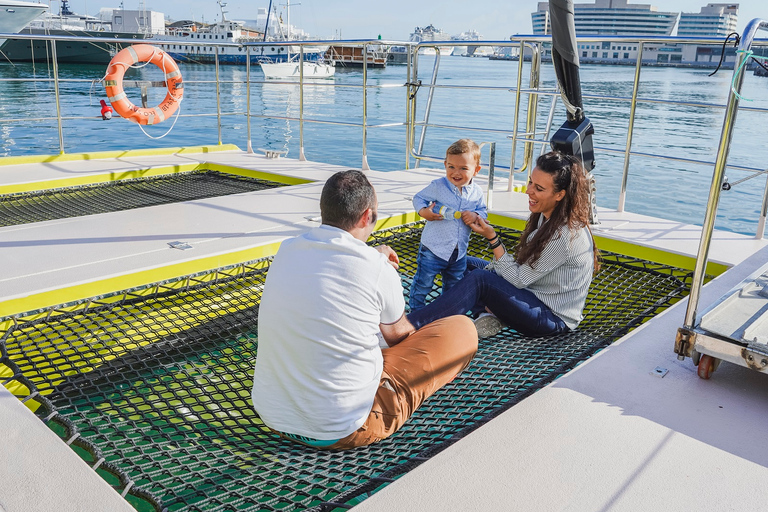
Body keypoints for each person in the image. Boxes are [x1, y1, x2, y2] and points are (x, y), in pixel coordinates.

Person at [251, 170, 478, 450]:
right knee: (462, 330)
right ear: (365, 216)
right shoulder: (376, 268)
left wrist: (375, 255)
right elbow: (397, 337)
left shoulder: (287, 250)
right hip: (344, 428)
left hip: (273, 417)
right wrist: (379, 263)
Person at [407, 151, 600, 339]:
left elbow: (518, 279)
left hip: (550, 318)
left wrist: (493, 239)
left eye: (539, 189)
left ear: (560, 195)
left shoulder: (564, 235)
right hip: (530, 293)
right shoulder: (548, 215)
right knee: (459, 263)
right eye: (531, 182)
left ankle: (410, 325)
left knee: (480, 279)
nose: (529, 191)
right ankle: (487, 314)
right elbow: (521, 273)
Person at [409, 138, 488, 311]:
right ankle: (415, 312)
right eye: (451, 166)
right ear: (445, 164)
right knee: (423, 284)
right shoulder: (438, 186)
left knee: (454, 287)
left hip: (459, 252)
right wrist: (424, 212)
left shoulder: (477, 192)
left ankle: (448, 314)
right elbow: (418, 198)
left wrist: (475, 215)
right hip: (433, 249)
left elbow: (483, 211)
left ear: (476, 170)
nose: (456, 172)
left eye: (463, 168)